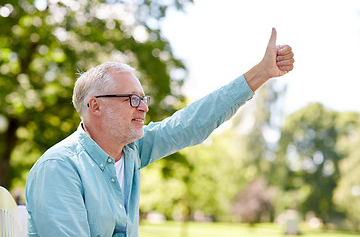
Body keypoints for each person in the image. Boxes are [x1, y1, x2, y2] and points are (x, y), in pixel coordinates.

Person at [25, 28, 294, 236]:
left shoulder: (130, 151)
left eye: (144, 99)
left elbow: (191, 123)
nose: (143, 108)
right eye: (131, 99)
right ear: (95, 105)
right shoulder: (59, 168)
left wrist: (261, 73)